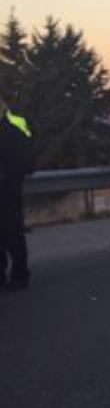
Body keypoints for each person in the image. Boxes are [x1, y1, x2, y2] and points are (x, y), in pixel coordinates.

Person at [0, 96, 33, 291]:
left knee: (12, 233)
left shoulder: (12, 132)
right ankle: (16, 275)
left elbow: (25, 160)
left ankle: (19, 275)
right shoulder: (13, 131)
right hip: (10, 188)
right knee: (11, 233)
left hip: (8, 189)